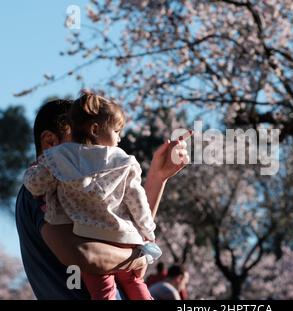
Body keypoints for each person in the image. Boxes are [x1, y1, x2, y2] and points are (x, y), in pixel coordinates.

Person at [16, 98, 190, 299]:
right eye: (81, 142)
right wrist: (139, 256)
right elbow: (85, 255)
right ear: (50, 143)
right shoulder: (40, 189)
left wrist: (157, 179)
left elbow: (126, 233)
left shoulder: (74, 188)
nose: (93, 151)